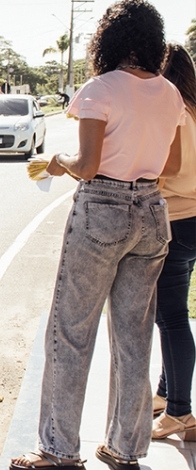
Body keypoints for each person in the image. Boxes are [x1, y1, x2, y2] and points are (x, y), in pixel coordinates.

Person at [10, 1, 186, 469]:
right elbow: (170, 167)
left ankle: (58, 449)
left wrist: (57, 161)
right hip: (152, 212)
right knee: (134, 338)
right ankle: (126, 448)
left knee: (71, 332)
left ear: (109, 40)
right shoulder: (170, 93)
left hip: (101, 211)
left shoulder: (100, 88)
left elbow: (86, 167)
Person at [151, 43, 196, 442]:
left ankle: (180, 413)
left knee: (171, 319)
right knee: (173, 315)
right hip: (193, 221)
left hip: (176, 221)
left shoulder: (173, 112)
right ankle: (167, 394)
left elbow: (170, 167)